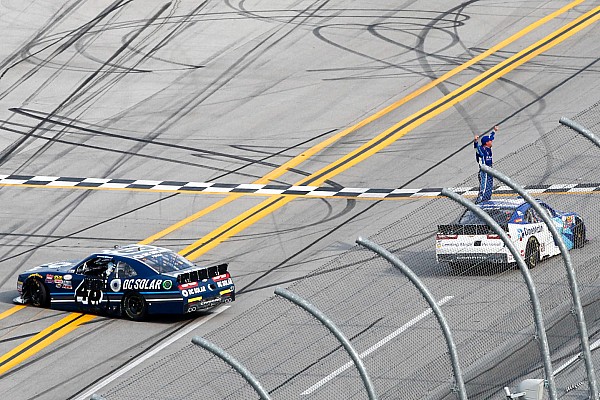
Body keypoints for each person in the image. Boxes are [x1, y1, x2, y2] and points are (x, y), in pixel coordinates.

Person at [474, 125, 499, 203]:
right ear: (486, 143)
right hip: (484, 171)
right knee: (484, 187)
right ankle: (480, 202)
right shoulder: (481, 150)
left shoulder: (488, 148)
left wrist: (494, 131)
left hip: (490, 170)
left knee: (489, 187)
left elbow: (490, 136)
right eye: (490, 141)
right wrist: (475, 141)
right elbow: (476, 148)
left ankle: (487, 200)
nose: (491, 141)